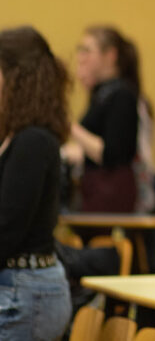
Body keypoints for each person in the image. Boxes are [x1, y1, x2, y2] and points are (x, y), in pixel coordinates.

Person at [0, 26, 74, 340]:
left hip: (25, 292)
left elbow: (7, 229)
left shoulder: (34, 141)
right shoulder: (15, 137)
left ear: (17, 80)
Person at [65, 25, 154, 214]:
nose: (81, 57)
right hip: (97, 191)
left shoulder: (122, 94)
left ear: (110, 55)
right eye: (80, 50)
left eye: (87, 50)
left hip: (112, 196)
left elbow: (111, 154)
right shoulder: (103, 93)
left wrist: (67, 124)